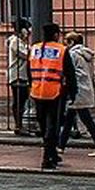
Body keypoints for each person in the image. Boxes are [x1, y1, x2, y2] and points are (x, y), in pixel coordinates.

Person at [27, 24, 76, 170]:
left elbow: (29, 71)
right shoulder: (61, 50)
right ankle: (47, 157)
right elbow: (70, 73)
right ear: (56, 35)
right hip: (55, 92)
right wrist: (73, 92)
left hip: (37, 91)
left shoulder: (34, 49)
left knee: (43, 125)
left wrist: (33, 84)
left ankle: (52, 153)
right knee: (53, 126)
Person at [64, 29, 95, 157]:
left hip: (77, 90)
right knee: (71, 119)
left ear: (71, 42)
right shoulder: (85, 53)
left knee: (85, 120)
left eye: (67, 42)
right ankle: (60, 146)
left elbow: (70, 73)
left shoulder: (72, 54)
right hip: (85, 88)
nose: (65, 45)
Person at [5, 22, 34, 137]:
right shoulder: (15, 41)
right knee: (19, 100)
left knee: (22, 99)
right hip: (17, 74)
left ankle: (20, 124)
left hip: (22, 74)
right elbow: (26, 54)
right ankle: (18, 125)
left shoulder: (20, 42)